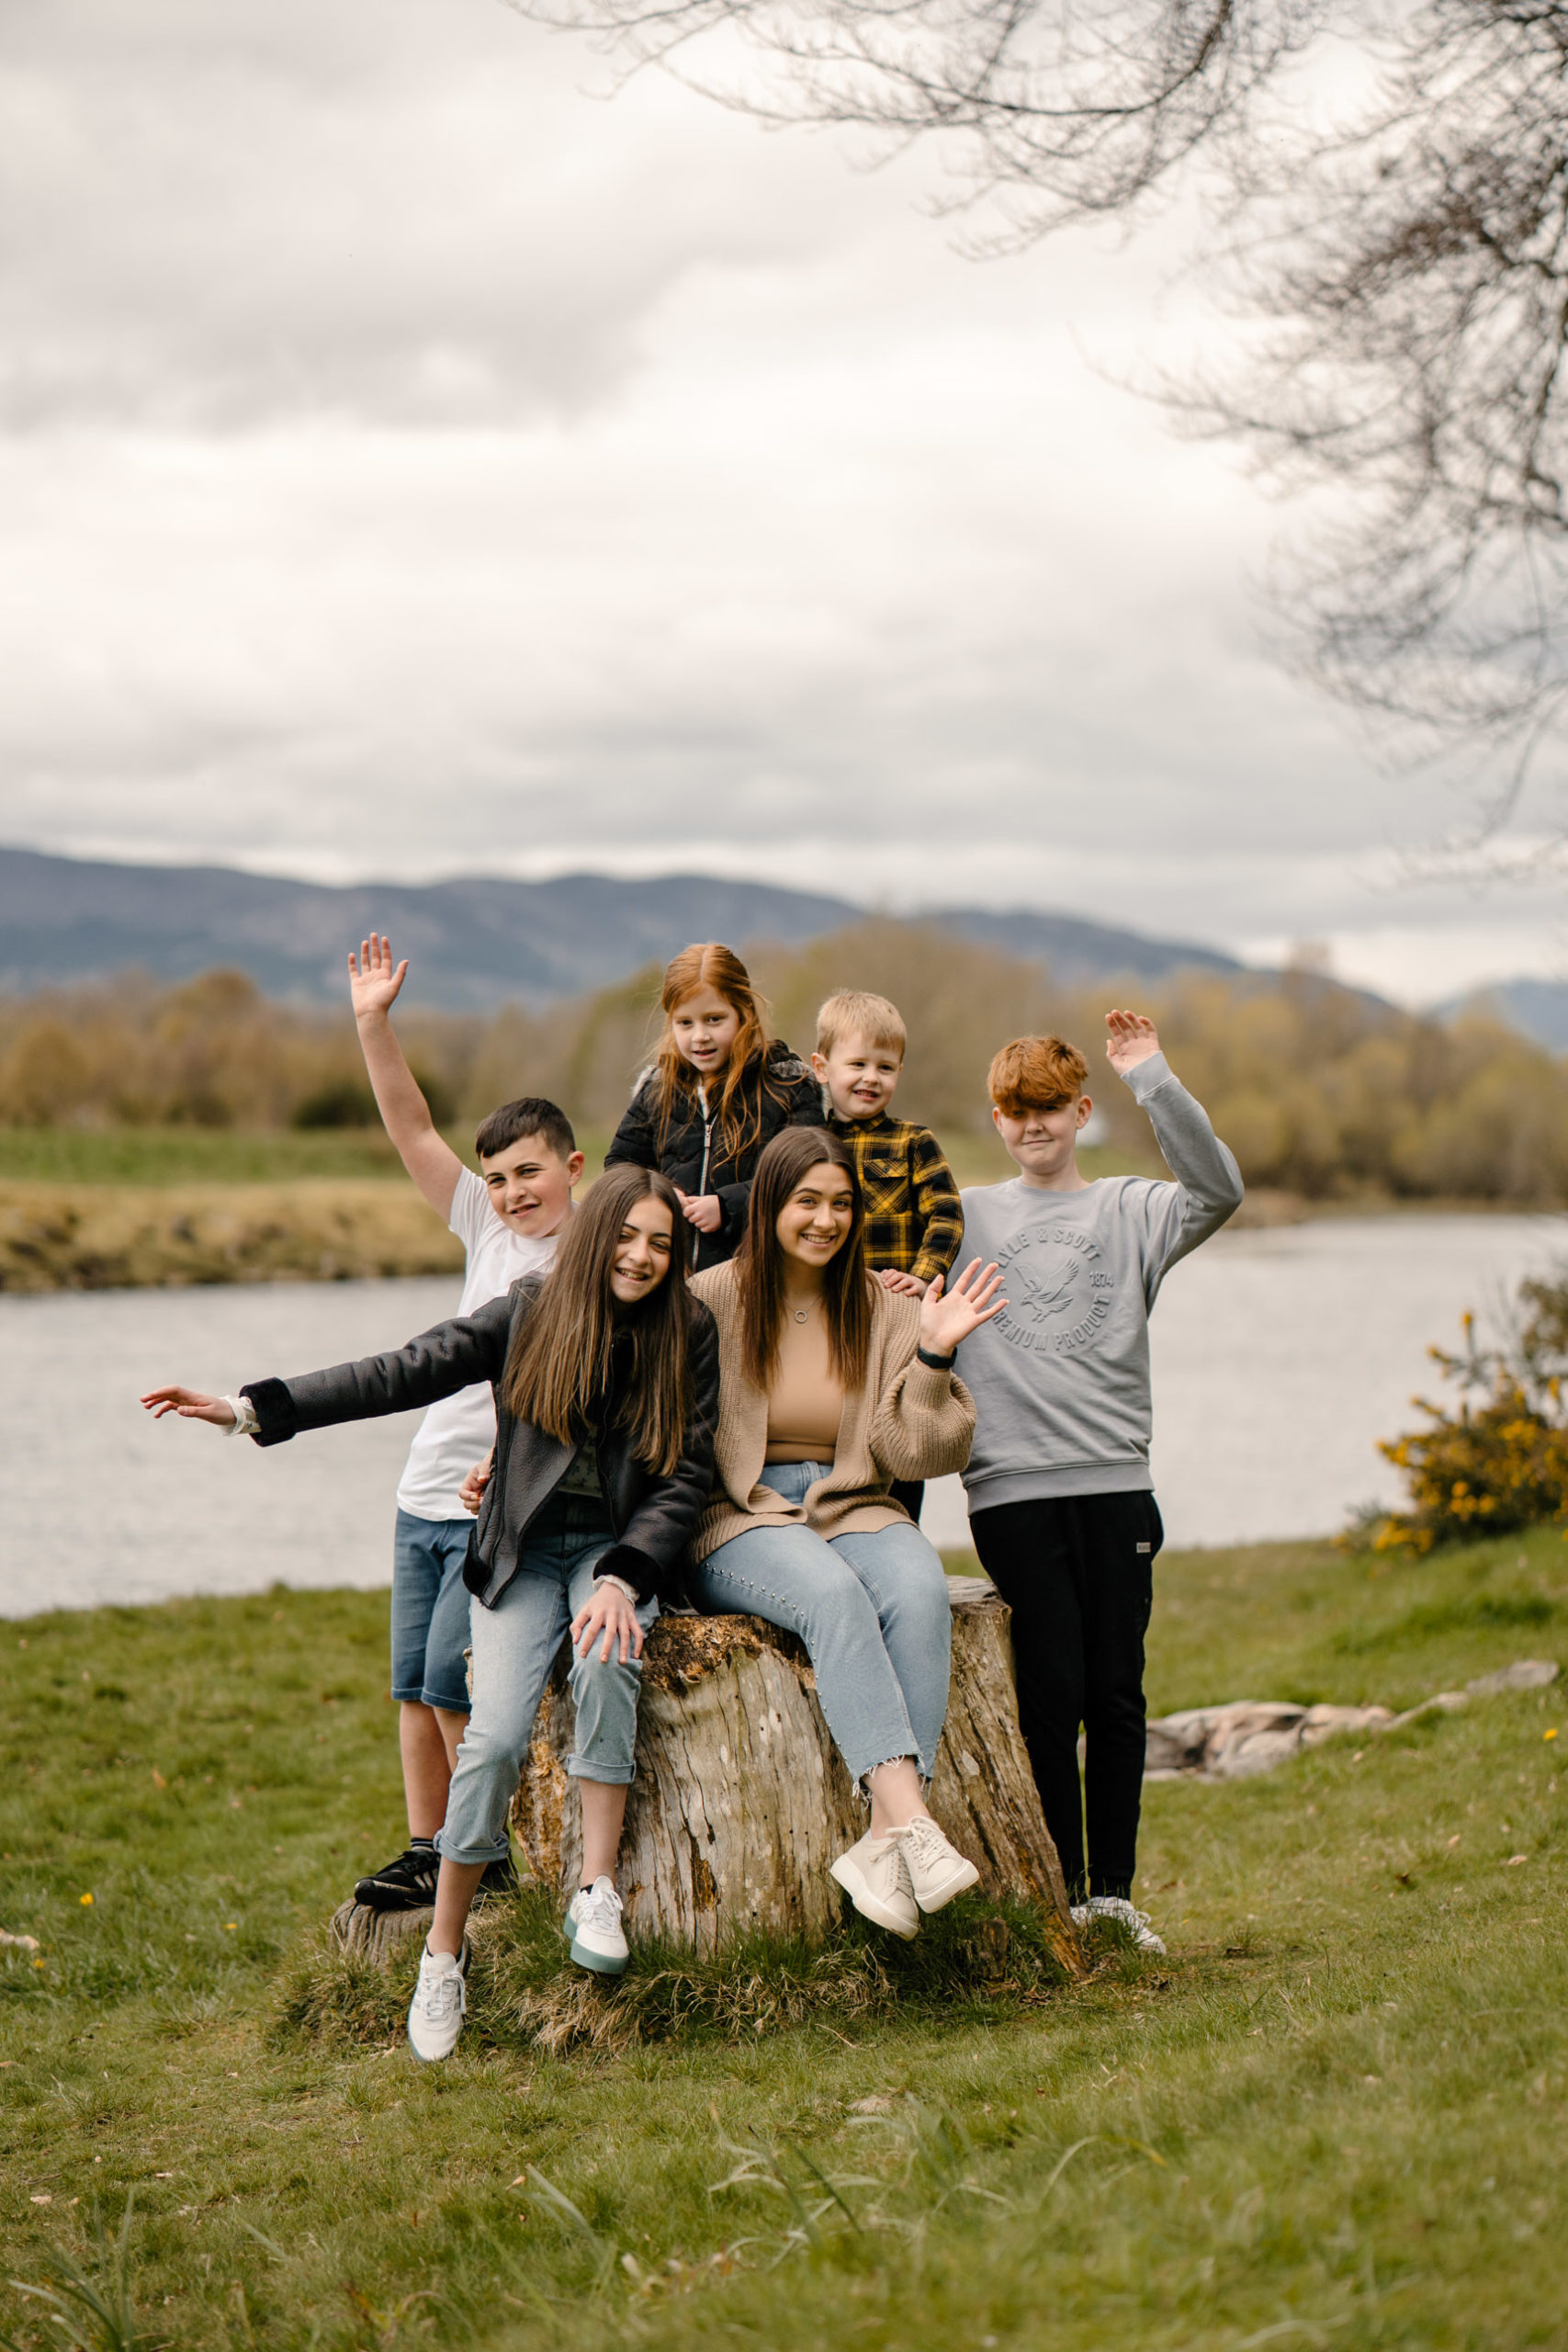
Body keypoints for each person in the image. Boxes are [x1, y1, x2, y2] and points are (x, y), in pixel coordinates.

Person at [141, 1165, 720, 2064]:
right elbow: (399, 1372)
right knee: (488, 1741)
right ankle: (443, 1950)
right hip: (523, 1550)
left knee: (611, 1659)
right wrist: (255, 1408)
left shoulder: (688, 1328)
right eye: (628, 1234)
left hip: (612, 1553)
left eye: (660, 1242)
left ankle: (593, 1888)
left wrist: (626, 1575)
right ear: (597, 1232)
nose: (642, 1256)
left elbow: (688, 1472)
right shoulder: (528, 1311)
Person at [953, 1010, 1244, 1954]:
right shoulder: (963, 1216)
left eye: (1047, 1110)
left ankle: (1113, 1896)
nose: (1031, 1127)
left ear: (1081, 1111)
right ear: (996, 1119)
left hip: (1116, 1483)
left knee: (1117, 1691)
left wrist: (1151, 1075)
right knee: (1050, 1693)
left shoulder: (1132, 1211)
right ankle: (1060, 1894)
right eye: (1013, 1112)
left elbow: (1220, 1187)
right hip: (1011, 1490)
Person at [685, 1125, 1004, 1938]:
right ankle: (913, 1825)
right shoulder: (708, 1299)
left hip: (851, 1501)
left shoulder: (886, 1307)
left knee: (918, 1588)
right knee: (833, 1597)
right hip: (738, 1514)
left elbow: (919, 1452)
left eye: (839, 1204)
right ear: (768, 1205)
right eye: (805, 1202)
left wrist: (932, 1358)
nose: (824, 1220)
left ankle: (883, 1839)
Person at [343, 933, 582, 1916]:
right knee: (412, 1685)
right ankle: (429, 1845)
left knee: (454, 1678)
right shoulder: (483, 1224)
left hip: (498, 1498)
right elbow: (409, 1125)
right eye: (500, 1177)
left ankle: (484, 1856)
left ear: (574, 1165)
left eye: (532, 1171)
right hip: (421, 1491)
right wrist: (374, 1023)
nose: (516, 1191)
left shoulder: (588, 1256)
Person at [811, 988, 964, 1523]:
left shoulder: (913, 1141)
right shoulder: (806, 1143)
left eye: (886, 1066)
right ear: (822, 1067)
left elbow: (945, 1216)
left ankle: (901, 1529)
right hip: (824, 1320)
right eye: (857, 1064)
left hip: (897, 1321)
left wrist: (924, 1279)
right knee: (830, 1441)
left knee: (896, 1440)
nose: (870, 1078)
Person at [604, 941, 821, 1271]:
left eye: (714, 1019)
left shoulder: (787, 1087)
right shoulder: (657, 1090)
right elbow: (621, 1163)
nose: (699, 1036)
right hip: (670, 1278)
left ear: (743, 1013)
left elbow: (804, 1174)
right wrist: (660, 1192)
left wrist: (728, 1206)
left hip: (753, 1275)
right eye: (685, 1023)